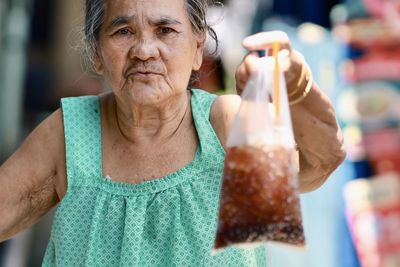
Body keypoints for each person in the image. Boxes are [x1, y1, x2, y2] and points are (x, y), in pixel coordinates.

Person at [0, 0, 345, 265]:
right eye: (123, 31)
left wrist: (298, 90)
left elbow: (315, 165)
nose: (144, 50)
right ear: (97, 53)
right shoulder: (68, 135)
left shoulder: (223, 125)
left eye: (165, 30)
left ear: (198, 48)